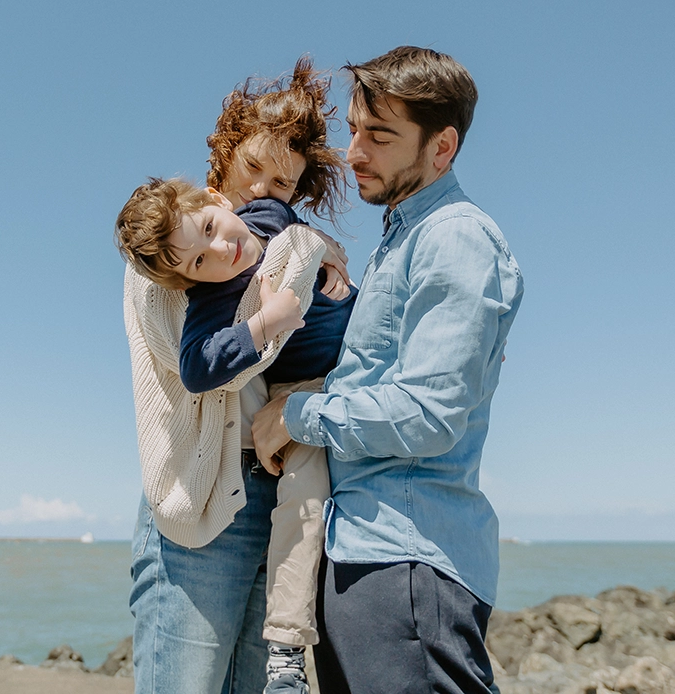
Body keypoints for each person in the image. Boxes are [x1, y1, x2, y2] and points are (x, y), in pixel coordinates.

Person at [252, 46, 524, 694]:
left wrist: (295, 416)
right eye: (353, 130)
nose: (354, 153)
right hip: (366, 556)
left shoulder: (454, 236)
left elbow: (428, 414)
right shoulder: (397, 241)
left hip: (405, 562)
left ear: (442, 147)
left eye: (379, 135)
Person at [118, 58, 351, 694]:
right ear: (223, 153)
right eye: (252, 166)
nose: (262, 191)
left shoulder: (260, 242)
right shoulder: (171, 253)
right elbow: (217, 371)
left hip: (272, 491)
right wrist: (302, 249)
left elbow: (314, 346)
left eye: (282, 183)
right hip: (198, 501)